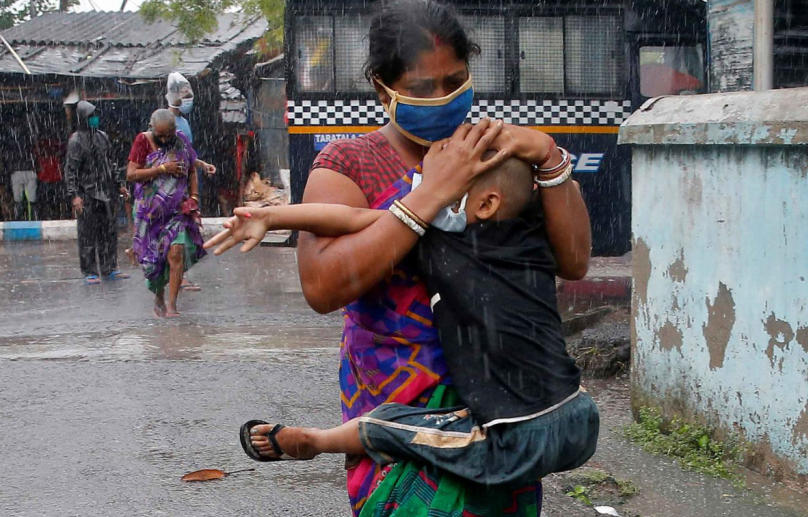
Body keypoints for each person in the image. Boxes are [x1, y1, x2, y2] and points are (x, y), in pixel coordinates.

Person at [215, 1, 589, 514]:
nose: (442, 99)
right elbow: (323, 287)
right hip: (396, 417)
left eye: (454, 81)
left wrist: (548, 155)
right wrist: (429, 196)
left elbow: (572, 261)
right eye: (421, 88)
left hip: (496, 409)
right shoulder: (348, 165)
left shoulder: (495, 158)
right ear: (382, 90)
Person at [208, 152, 600, 486]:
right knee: (443, 421)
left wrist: (273, 218)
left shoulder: (437, 237)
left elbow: (349, 218)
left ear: (485, 205)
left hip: (518, 436)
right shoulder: (531, 233)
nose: (422, 196)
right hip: (579, 415)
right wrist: (546, 153)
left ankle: (317, 441)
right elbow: (568, 192)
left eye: (437, 187)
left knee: (394, 424)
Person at [126, 109, 206, 317]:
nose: (164, 139)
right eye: (160, 135)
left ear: (174, 130)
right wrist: (161, 169)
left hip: (176, 210)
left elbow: (191, 168)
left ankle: (172, 305)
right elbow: (132, 174)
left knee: (176, 251)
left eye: (168, 134)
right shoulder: (142, 141)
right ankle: (159, 296)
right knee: (154, 260)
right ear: (152, 128)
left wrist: (194, 197)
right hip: (149, 213)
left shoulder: (179, 141)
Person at [64, 100, 129, 285]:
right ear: (84, 118)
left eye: (95, 116)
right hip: (86, 193)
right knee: (87, 234)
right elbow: (71, 170)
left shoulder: (103, 137)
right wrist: (74, 195)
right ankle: (89, 271)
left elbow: (111, 163)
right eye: (91, 116)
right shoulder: (76, 140)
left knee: (109, 232)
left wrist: (119, 184)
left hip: (106, 191)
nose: (95, 119)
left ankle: (110, 267)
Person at [165, 71, 214, 292]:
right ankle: (176, 276)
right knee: (176, 234)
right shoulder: (164, 120)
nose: (188, 98)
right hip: (170, 186)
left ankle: (179, 274)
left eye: (188, 93)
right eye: (184, 93)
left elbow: (188, 154)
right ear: (173, 94)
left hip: (185, 185)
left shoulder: (184, 121)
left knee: (185, 232)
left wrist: (202, 165)